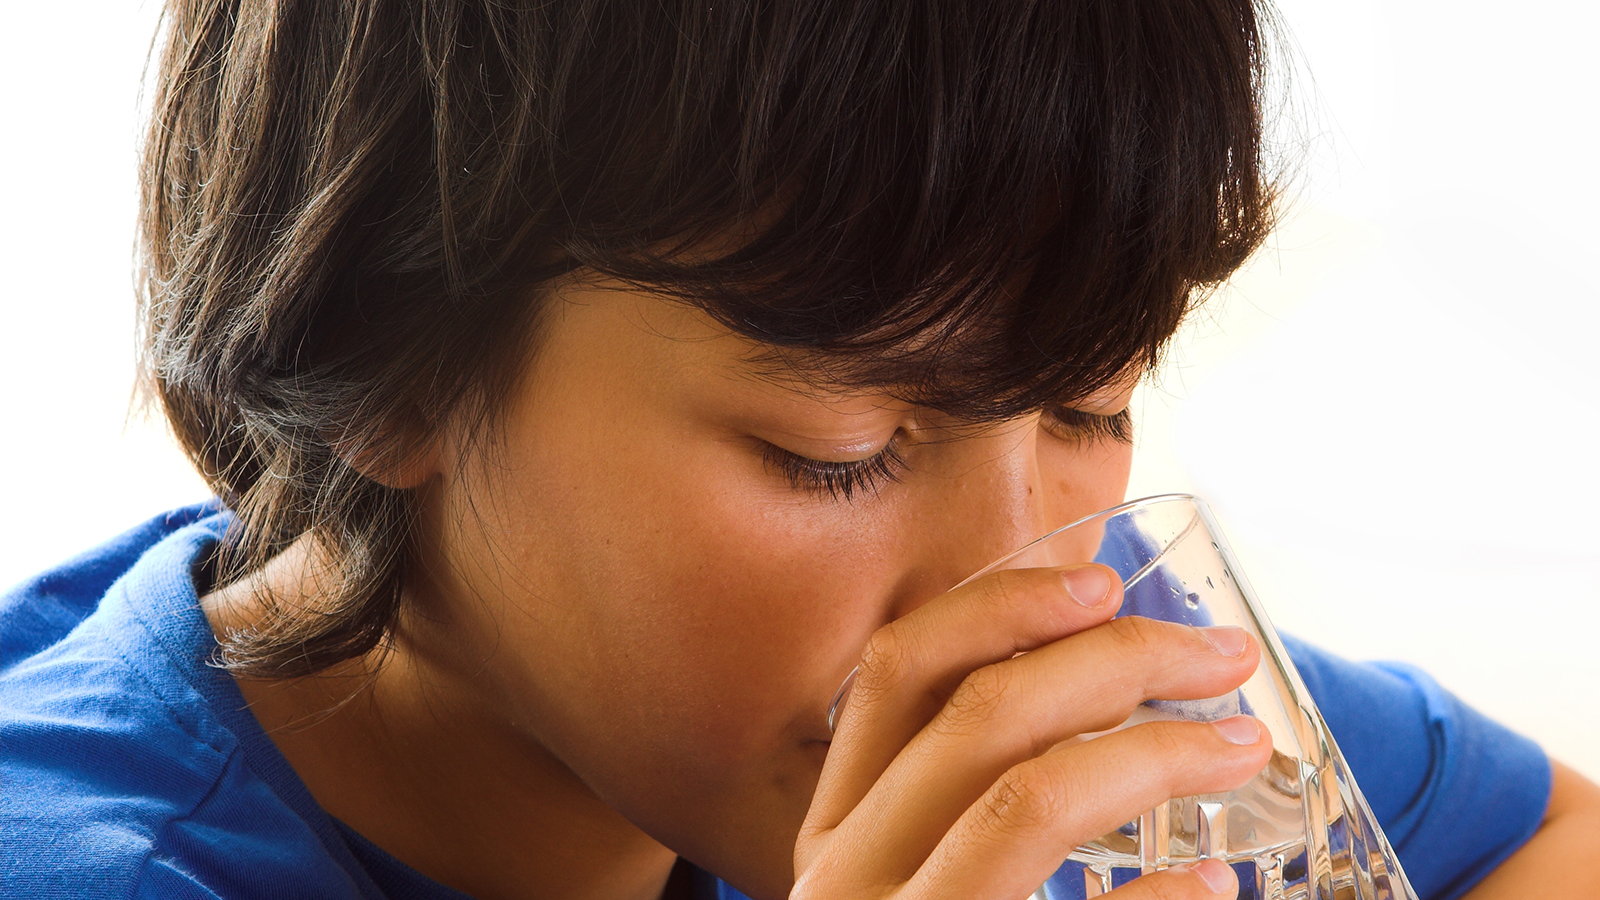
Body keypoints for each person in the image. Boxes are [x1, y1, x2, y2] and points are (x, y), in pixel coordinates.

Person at [4, 1, 1597, 899]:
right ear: (385, 362)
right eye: (838, 452)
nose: (1023, 568)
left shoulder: (1079, 652)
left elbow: (1551, 833)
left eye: (1090, 404)